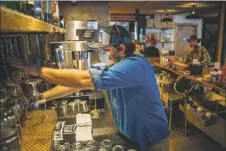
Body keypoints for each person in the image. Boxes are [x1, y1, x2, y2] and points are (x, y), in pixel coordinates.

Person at [8, 25, 169, 151]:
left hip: (152, 141)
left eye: (106, 50)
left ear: (121, 48)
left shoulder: (135, 66)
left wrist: (37, 70)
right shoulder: (113, 64)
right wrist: (42, 97)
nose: (103, 54)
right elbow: (78, 83)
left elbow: (84, 78)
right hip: (129, 136)